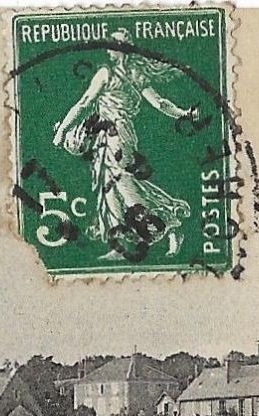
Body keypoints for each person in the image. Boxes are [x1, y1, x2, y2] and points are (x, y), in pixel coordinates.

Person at [53, 30, 196, 259]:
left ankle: (164, 225)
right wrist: (183, 114)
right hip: (109, 135)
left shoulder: (113, 73)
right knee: (113, 186)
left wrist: (62, 132)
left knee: (125, 188)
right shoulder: (127, 73)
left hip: (117, 136)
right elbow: (158, 103)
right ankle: (126, 240)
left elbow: (84, 103)